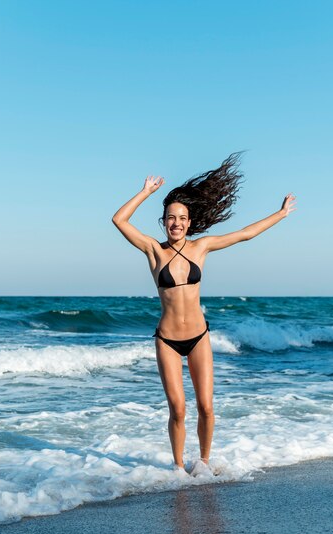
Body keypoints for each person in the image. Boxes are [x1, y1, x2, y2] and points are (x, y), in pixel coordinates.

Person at [112, 153, 296, 474]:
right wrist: (146, 193)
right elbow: (119, 220)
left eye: (182, 218)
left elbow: (245, 234)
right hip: (167, 340)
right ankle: (179, 469)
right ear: (163, 221)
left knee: (207, 408)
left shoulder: (202, 247)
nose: (176, 223)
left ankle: (205, 463)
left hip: (199, 337)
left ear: (190, 222)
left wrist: (280, 214)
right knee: (178, 410)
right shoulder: (153, 250)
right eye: (170, 217)